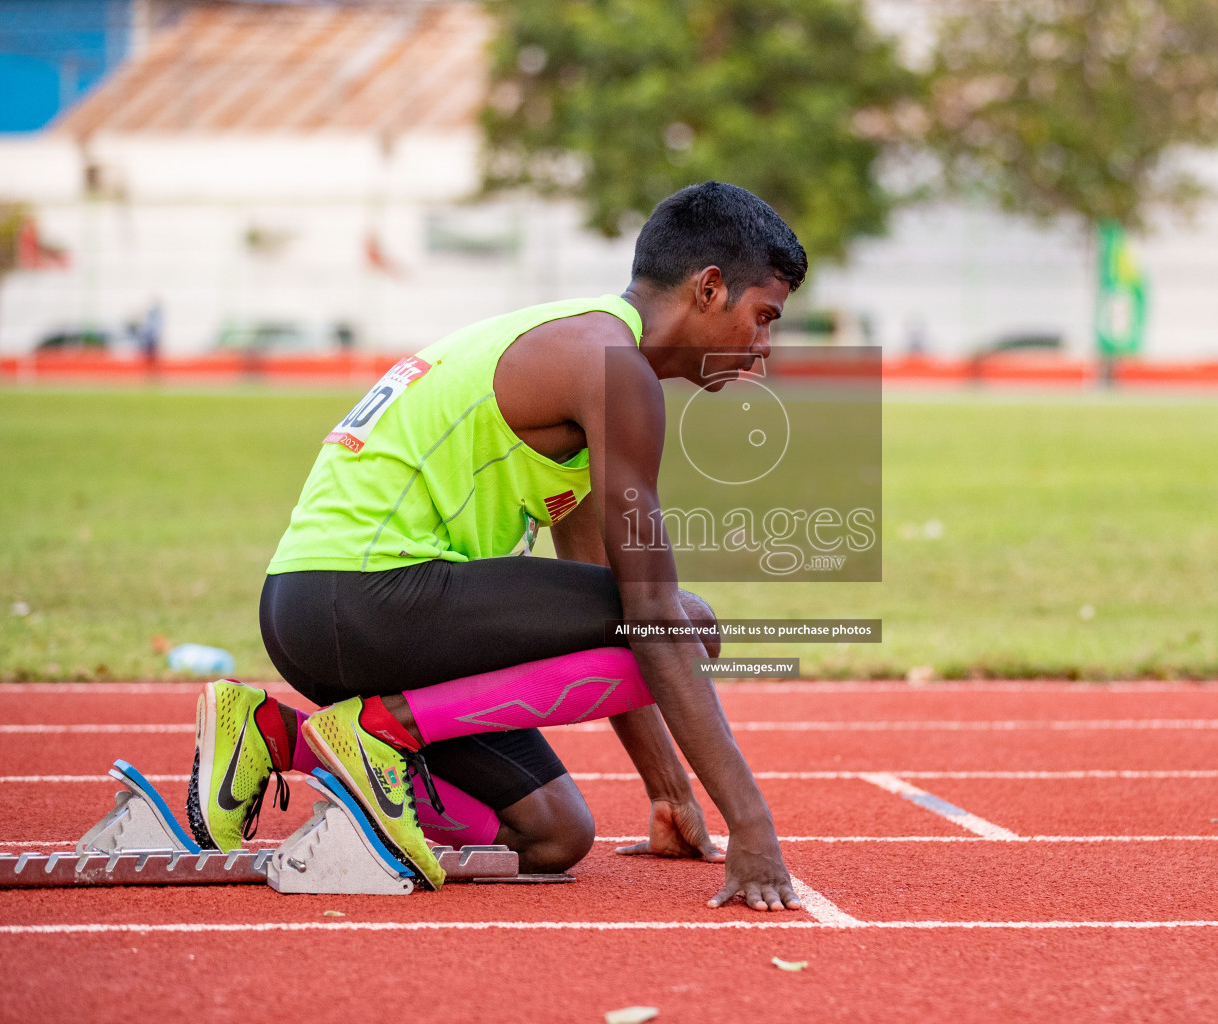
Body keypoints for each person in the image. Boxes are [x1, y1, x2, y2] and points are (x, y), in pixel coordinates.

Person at [186, 182, 808, 911]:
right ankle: (377, 731)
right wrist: (754, 830)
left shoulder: (589, 352)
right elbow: (655, 616)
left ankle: (275, 736)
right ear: (709, 288)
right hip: (360, 597)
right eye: (763, 318)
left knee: (553, 836)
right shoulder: (609, 366)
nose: (764, 349)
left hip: (324, 610)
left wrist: (671, 793)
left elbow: (601, 597)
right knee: (688, 623)